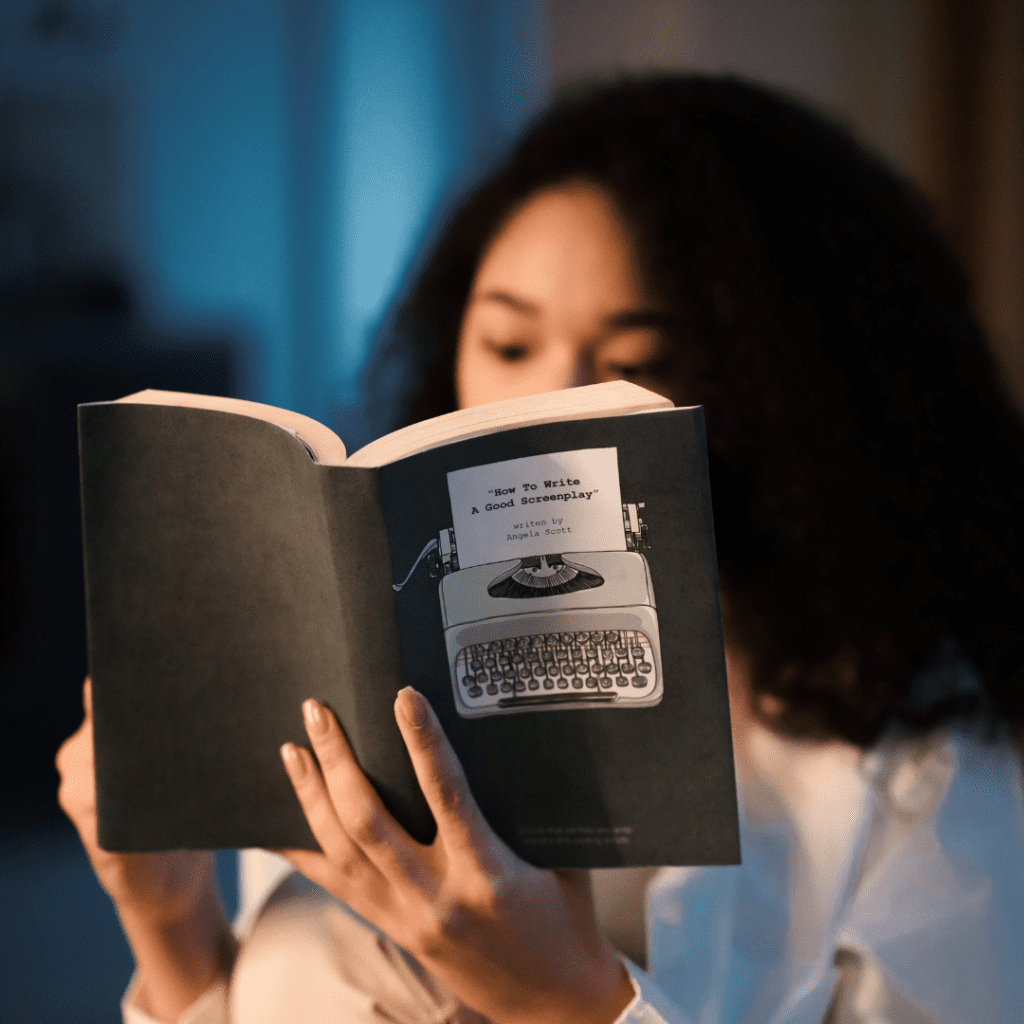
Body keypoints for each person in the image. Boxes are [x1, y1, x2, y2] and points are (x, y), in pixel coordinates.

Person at [57, 74, 1024, 1024]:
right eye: (510, 345)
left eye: (637, 365)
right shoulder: (371, 688)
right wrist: (171, 925)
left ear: (787, 389)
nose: (550, 407)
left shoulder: (930, 769)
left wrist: (564, 1002)